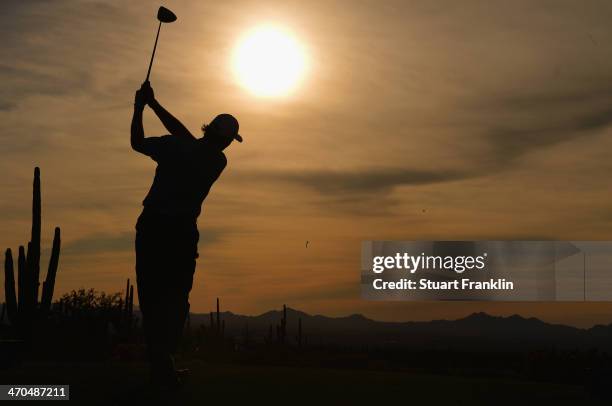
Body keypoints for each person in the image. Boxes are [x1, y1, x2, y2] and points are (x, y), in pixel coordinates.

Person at [130, 81, 242, 388]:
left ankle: (160, 366)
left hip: (151, 227)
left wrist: (142, 107)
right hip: (180, 234)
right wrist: (153, 105)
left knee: (152, 296)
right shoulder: (217, 161)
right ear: (227, 141)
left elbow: (138, 142)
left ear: (207, 129)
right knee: (175, 299)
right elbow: (189, 141)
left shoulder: (175, 146)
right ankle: (163, 364)